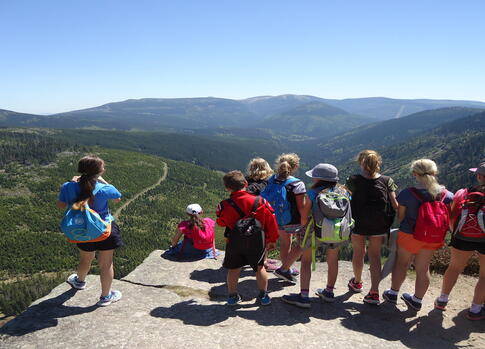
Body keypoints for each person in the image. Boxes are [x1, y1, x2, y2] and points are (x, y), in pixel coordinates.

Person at [383, 159, 453, 311]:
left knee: (402, 263)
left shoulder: (407, 194)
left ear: (414, 174)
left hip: (409, 234)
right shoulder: (447, 195)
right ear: (435, 173)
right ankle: (416, 300)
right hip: (432, 237)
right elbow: (449, 217)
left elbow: (400, 217)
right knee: (423, 268)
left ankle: (393, 293)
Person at [280, 163, 350, 308]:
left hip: (313, 231)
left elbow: (304, 215)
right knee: (333, 260)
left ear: (319, 179)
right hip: (336, 231)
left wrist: (302, 228)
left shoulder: (312, 193)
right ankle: (329, 292)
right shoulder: (344, 192)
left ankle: (304, 296)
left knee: (306, 261)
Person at [57, 155, 123, 306]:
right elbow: (117, 198)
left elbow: (61, 205)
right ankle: (106, 297)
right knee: (106, 264)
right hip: (105, 230)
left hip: (82, 229)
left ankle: (80, 282)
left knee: (86, 258)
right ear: (99, 172)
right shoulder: (105, 188)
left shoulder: (67, 186)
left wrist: (74, 189)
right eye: (102, 168)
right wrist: (102, 180)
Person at [216, 170, 278, 306]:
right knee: (260, 267)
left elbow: (221, 222)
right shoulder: (260, 201)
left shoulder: (224, 205)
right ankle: (263, 296)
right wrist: (272, 239)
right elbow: (271, 221)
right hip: (257, 240)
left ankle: (232, 297)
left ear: (227, 188)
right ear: (245, 183)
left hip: (235, 241)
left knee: (234, 269)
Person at [346, 150, 398, 304]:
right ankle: (374, 292)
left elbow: (346, 200)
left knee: (358, 252)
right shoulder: (387, 180)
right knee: (374, 256)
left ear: (360, 163)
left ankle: (357, 282)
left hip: (358, 222)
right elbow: (395, 205)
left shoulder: (352, 180)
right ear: (378, 163)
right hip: (379, 224)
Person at [435, 162, 485, 320]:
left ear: (479, 176)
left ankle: (442, 300)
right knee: (484, 276)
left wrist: (454, 232)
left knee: (454, 268)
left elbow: (453, 215)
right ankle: (476, 310)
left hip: (462, 236)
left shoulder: (463, 193)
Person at [262, 153, 309, 279]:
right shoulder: (297, 184)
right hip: (289, 220)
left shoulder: (271, 179)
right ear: (295, 166)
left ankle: (286, 268)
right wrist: (305, 220)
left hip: (271, 217)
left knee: (284, 242)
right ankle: (285, 269)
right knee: (293, 243)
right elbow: (301, 207)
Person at [245, 157, 278, 271]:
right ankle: (263, 261)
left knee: (249, 237)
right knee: (264, 237)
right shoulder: (267, 183)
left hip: (246, 214)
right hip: (262, 214)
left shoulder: (246, 181)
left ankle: (254, 258)